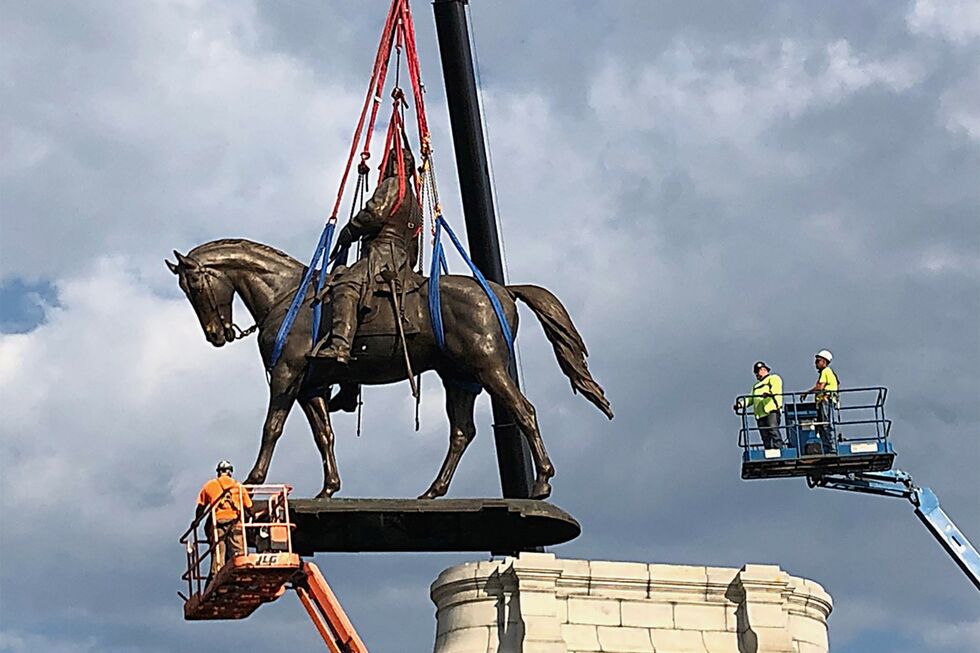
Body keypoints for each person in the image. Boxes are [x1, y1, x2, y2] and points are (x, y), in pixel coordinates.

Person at [313, 145, 422, 364]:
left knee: (346, 285)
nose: (388, 166)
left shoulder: (393, 185)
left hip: (381, 253)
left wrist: (349, 231)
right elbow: (414, 245)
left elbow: (375, 213)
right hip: (400, 260)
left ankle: (339, 346)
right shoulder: (414, 202)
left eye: (393, 161)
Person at [195, 460, 253, 583]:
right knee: (238, 551)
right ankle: (242, 574)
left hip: (218, 523)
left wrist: (197, 521)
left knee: (218, 552)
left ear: (218, 472)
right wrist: (252, 517)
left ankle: (217, 577)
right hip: (235, 523)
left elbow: (201, 507)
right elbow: (249, 507)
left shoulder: (209, 486)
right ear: (230, 472)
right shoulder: (239, 487)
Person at [733, 361, 785, 449]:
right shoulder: (756, 386)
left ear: (764, 369)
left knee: (773, 430)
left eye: (758, 371)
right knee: (765, 435)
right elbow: (750, 398)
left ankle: (779, 449)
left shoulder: (773, 378)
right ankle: (769, 451)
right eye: (755, 372)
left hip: (770, 409)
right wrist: (740, 404)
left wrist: (769, 393)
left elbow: (776, 389)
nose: (757, 374)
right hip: (760, 414)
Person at [800, 349, 839, 453]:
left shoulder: (826, 371)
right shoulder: (827, 372)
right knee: (822, 426)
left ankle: (831, 448)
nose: (816, 363)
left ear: (824, 362)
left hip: (826, 400)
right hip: (825, 400)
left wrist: (807, 393)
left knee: (826, 424)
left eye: (818, 361)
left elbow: (820, 387)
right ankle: (828, 447)